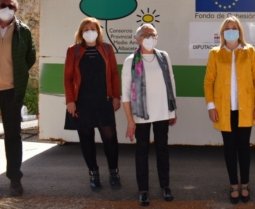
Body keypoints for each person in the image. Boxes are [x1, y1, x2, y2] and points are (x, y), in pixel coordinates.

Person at [204, 16, 255, 204]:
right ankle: (233, 185)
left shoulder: (250, 51)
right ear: (222, 33)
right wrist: (211, 106)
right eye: (227, 28)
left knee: (244, 148)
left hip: (245, 108)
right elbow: (208, 82)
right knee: (229, 149)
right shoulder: (215, 53)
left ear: (240, 31)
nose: (231, 30)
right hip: (223, 110)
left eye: (234, 27)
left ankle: (245, 184)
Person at [122, 23, 177, 207]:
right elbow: (126, 93)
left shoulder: (163, 57)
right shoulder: (131, 60)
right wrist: (130, 120)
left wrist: (173, 109)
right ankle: (143, 190)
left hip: (162, 111)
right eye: (146, 34)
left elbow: (171, 82)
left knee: (162, 150)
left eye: (153, 34)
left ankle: (165, 186)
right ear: (138, 39)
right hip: (140, 114)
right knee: (142, 151)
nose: (150, 37)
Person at [63, 17, 121, 191]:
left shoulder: (107, 49)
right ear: (81, 32)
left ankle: (113, 172)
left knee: (110, 138)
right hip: (82, 101)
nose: (89, 31)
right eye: (86, 29)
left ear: (98, 31)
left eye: (93, 28)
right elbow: (68, 77)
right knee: (86, 139)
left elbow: (114, 75)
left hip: (103, 100)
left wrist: (116, 96)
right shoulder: (73, 50)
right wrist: (70, 101)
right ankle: (93, 174)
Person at [0, 0, 36, 196]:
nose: (8, 9)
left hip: (12, 91)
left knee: (12, 136)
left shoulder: (24, 31)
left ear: (17, 10)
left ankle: (14, 179)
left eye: (12, 6)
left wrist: (18, 75)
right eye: (4, 5)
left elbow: (30, 57)